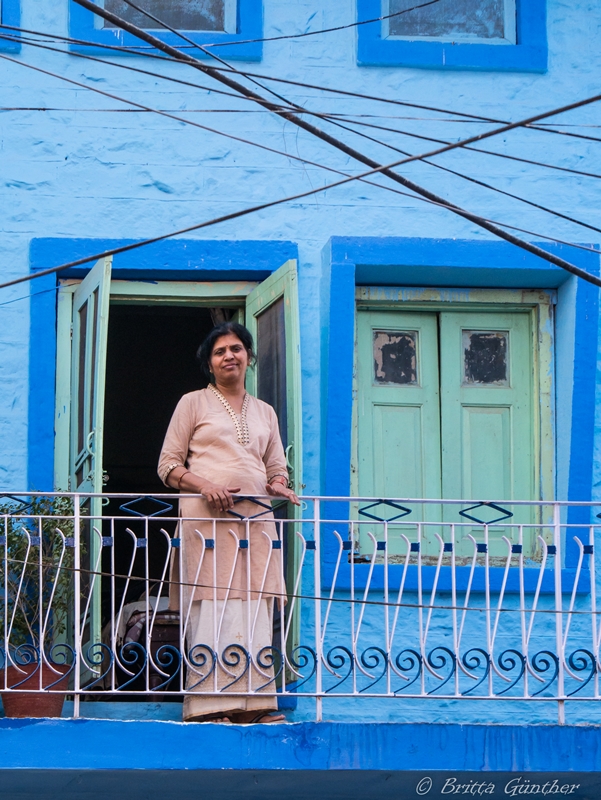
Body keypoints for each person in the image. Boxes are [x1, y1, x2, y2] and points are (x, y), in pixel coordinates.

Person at [158, 322, 299, 724]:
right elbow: (168, 465)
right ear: (209, 364)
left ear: (249, 357)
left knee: (255, 604)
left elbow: (276, 466)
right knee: (213, 604)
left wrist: (279, 486)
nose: (229, 356)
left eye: (236, 349)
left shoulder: (265, 412)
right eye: (220, 352)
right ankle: (208, 706)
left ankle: (257, 706)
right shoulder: (192, 403)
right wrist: (206, 486)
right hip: (207, 520)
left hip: (255, 520)